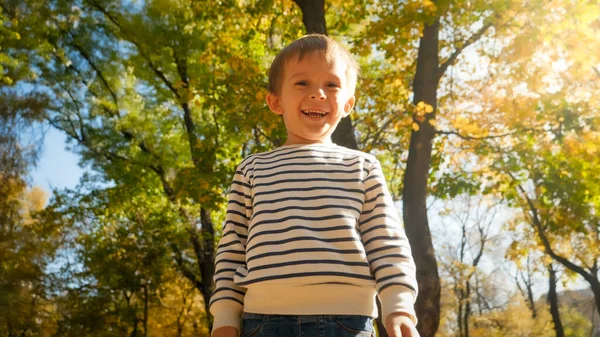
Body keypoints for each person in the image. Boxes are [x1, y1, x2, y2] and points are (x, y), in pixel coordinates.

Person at [210, 34, 418, 337]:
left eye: (331, 85)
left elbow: (386, 241)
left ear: (347, 104)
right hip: (263, 321)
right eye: (302, 83)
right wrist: (225, 316)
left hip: (349, 322)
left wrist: (399, 305)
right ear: (275, 101)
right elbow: (232, 247)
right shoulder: (252, 169)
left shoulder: (362, 167)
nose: (318, 93)